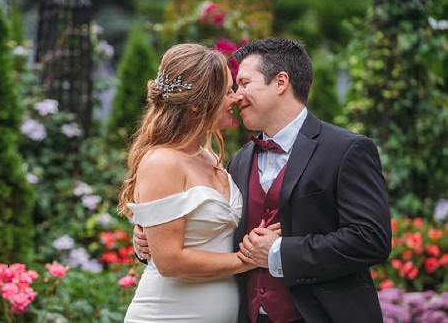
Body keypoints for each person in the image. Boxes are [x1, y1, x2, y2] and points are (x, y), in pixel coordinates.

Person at [134, 38, 392, 323]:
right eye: (233, 87)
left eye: (243, 83)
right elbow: (209, 235)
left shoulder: (346, 149)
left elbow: (371, 239)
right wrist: (149, 242)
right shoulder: (238, 161)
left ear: (281, 82)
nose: (236, 95)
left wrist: (280, 252)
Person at [118, 43, 277, 323]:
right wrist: (251, 259)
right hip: (169, 314)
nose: (236, 98)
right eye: (227, 91)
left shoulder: (207, 157)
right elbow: (169, 262)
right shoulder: (162, 161)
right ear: (195, 103)